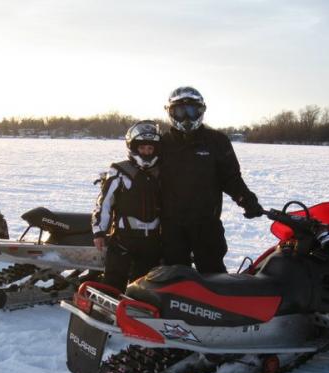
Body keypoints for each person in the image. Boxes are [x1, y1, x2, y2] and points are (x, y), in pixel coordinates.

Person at [159, 86, 263, 274]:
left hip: (206, 222)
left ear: (201, 111)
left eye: (191, 111)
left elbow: (231, 178)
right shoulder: (162, 143)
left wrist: (247, 199)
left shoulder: (216, 141)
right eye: (180, 112)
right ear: (170, 112)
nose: (186, 117)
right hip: (171, 224)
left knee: (214, 276)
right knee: (173, 277)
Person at [91, 120, 161, 292]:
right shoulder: (120, 171)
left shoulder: (160, 172)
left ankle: (135, 316)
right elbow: (105, 202)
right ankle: (107, 314)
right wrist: (100, 231)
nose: (146, 152)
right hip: (124, 239)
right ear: (133, 147)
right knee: (113, 281)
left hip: (152, 241)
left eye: (150, 149)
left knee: (143, 286)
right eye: (142, 148)